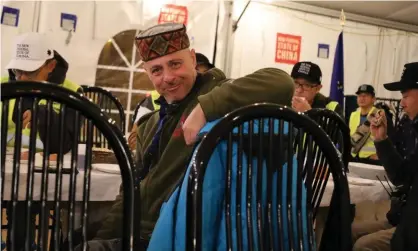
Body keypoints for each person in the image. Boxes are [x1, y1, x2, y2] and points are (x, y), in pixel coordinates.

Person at [80, 23, 295, 251]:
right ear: (147, 73)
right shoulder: (149, 125)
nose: (168, 77)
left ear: (193, 59)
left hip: (177, 235)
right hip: (138, 229)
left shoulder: (218, 95)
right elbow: (130, 191)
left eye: (175, 64)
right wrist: (103, 237)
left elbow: (280, 82)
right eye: (157, 70)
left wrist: (204, 109)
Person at [2, 32, 82, 251]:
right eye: (18, 70)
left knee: (24, 203)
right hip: (6, 167)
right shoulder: (3, 86)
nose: (21, 78)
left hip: (45, 173)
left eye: (30, 71)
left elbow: (69, 144)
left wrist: (42, 115)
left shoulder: (72, 93)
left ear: (51, 65)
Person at [352, 62, 418, 251]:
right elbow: (402, 176)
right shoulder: (409, 126)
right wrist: (381, 139)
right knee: (345, 231)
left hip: (411, 228)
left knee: (363, 246)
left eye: (405, 96)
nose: (402, 103)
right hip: (401, 218)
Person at [128, 52, 216, 150]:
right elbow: (134, 141)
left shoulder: (218, 97)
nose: (169, 78)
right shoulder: (150, 104)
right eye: (156, 70)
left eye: (205, 74)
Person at [349, 84, 379, 162]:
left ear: (373, 99)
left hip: (371, 159)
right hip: (354, 157)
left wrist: (379, 154)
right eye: (359, 96)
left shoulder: (379, 115)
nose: (362, 98)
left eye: (365, 96)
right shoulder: (353, 115)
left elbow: (389, 138)